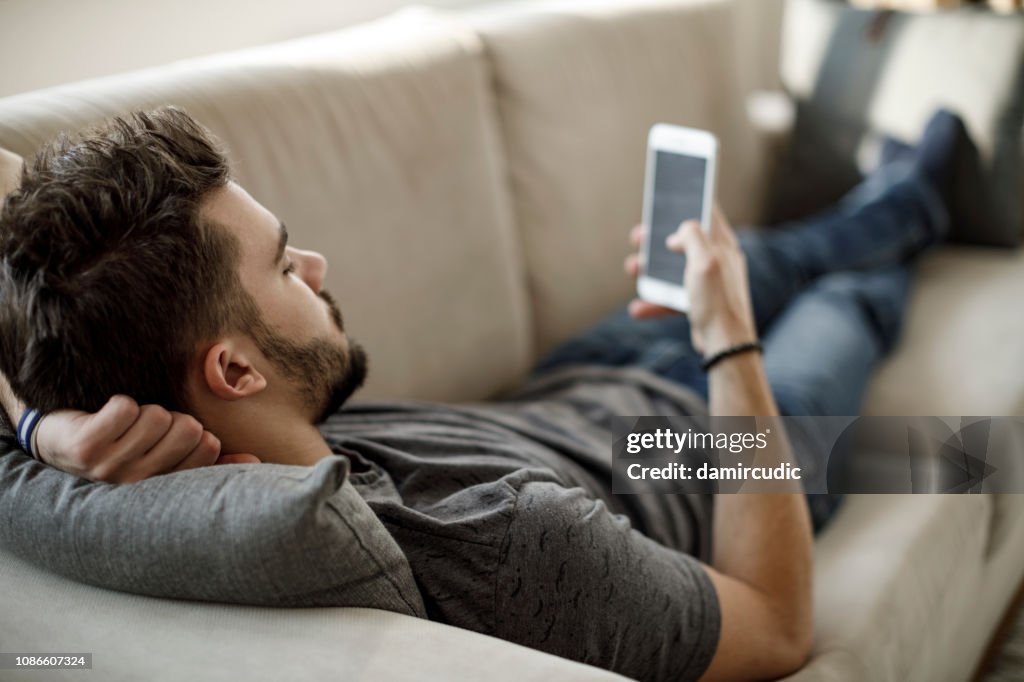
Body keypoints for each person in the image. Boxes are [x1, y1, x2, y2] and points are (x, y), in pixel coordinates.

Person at [0, 107, 970, 681]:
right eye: (283, 267)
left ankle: (891, 194)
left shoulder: (141, 450)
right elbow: (778, 624)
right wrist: (728, 343)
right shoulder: (505, 545)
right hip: (704, 449)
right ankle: (922, 195)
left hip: (566, 390)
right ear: (234, 370)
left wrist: (40, 430)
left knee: (751, 252)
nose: (316, 262)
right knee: (845, 306)